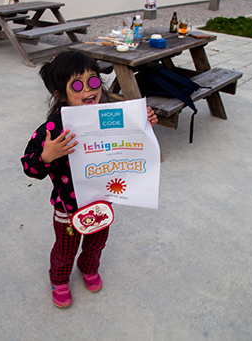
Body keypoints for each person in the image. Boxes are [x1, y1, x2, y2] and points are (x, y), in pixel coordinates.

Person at [21, 51, 158, 308]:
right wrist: (47, 155)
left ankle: (89, 267)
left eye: (93, 81)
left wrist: (145, 123)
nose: (88, 89)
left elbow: (132, 142)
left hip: (101, 202)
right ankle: (59, 280)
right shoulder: (52, 129)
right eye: (77, 84)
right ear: (60, 94)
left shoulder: (108, 117)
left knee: (96, 243)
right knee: (65, 249)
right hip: (67, 209)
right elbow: (29, 167)